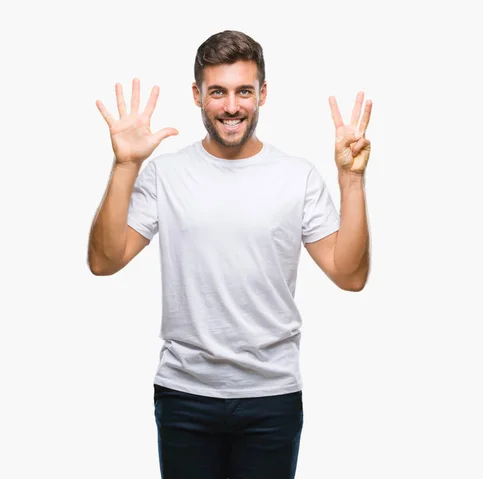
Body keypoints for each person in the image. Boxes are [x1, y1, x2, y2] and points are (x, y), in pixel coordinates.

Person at [88, 30, 372, 479]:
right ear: (198, 95)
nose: (232, 106)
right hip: (184, 394)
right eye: (218, 92)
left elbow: (349, 274)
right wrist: (126, 165)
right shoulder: (167, 173)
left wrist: (350, 181)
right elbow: (105, 261)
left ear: (262, 94)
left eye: (244, 91)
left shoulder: (296, 177)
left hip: (272, 397)